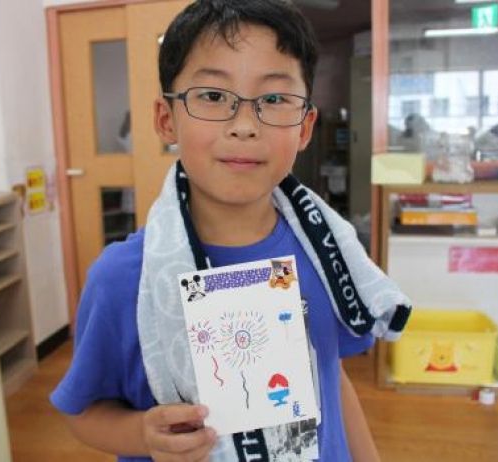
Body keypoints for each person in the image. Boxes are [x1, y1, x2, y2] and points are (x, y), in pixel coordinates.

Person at [51, 1, 401, 460]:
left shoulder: (328, 254)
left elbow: (329, 375)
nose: (243, 126)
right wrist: (143, 435)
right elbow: (83, 413)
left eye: (274, 99)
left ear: (305, 126)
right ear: (165, 119)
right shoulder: (123, 278)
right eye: (213, 96)